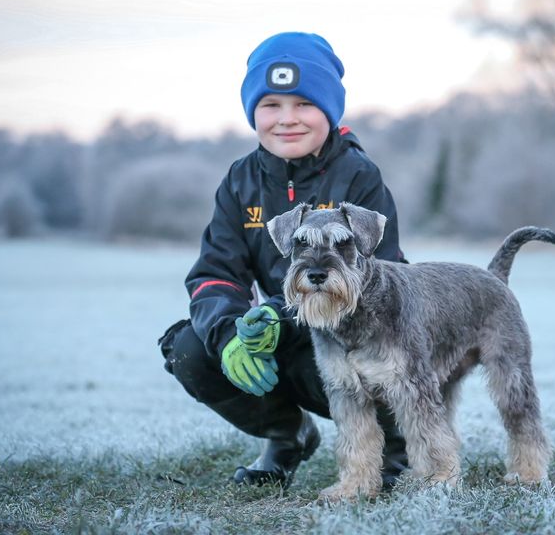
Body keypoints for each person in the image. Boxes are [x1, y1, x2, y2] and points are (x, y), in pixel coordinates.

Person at [159, 32, 408, 489]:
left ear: (329, 110)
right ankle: (285, 437)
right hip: (282, 348)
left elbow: (384, 282)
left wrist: (280, 314)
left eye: (303, 104)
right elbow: (215, 274)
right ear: (253, 111)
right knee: (190, 350)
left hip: (349, 342)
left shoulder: (359, 175)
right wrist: (231, 335)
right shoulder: (239, 181)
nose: (287, 119)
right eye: (271, 104)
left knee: (392, 355)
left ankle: (396, 449)